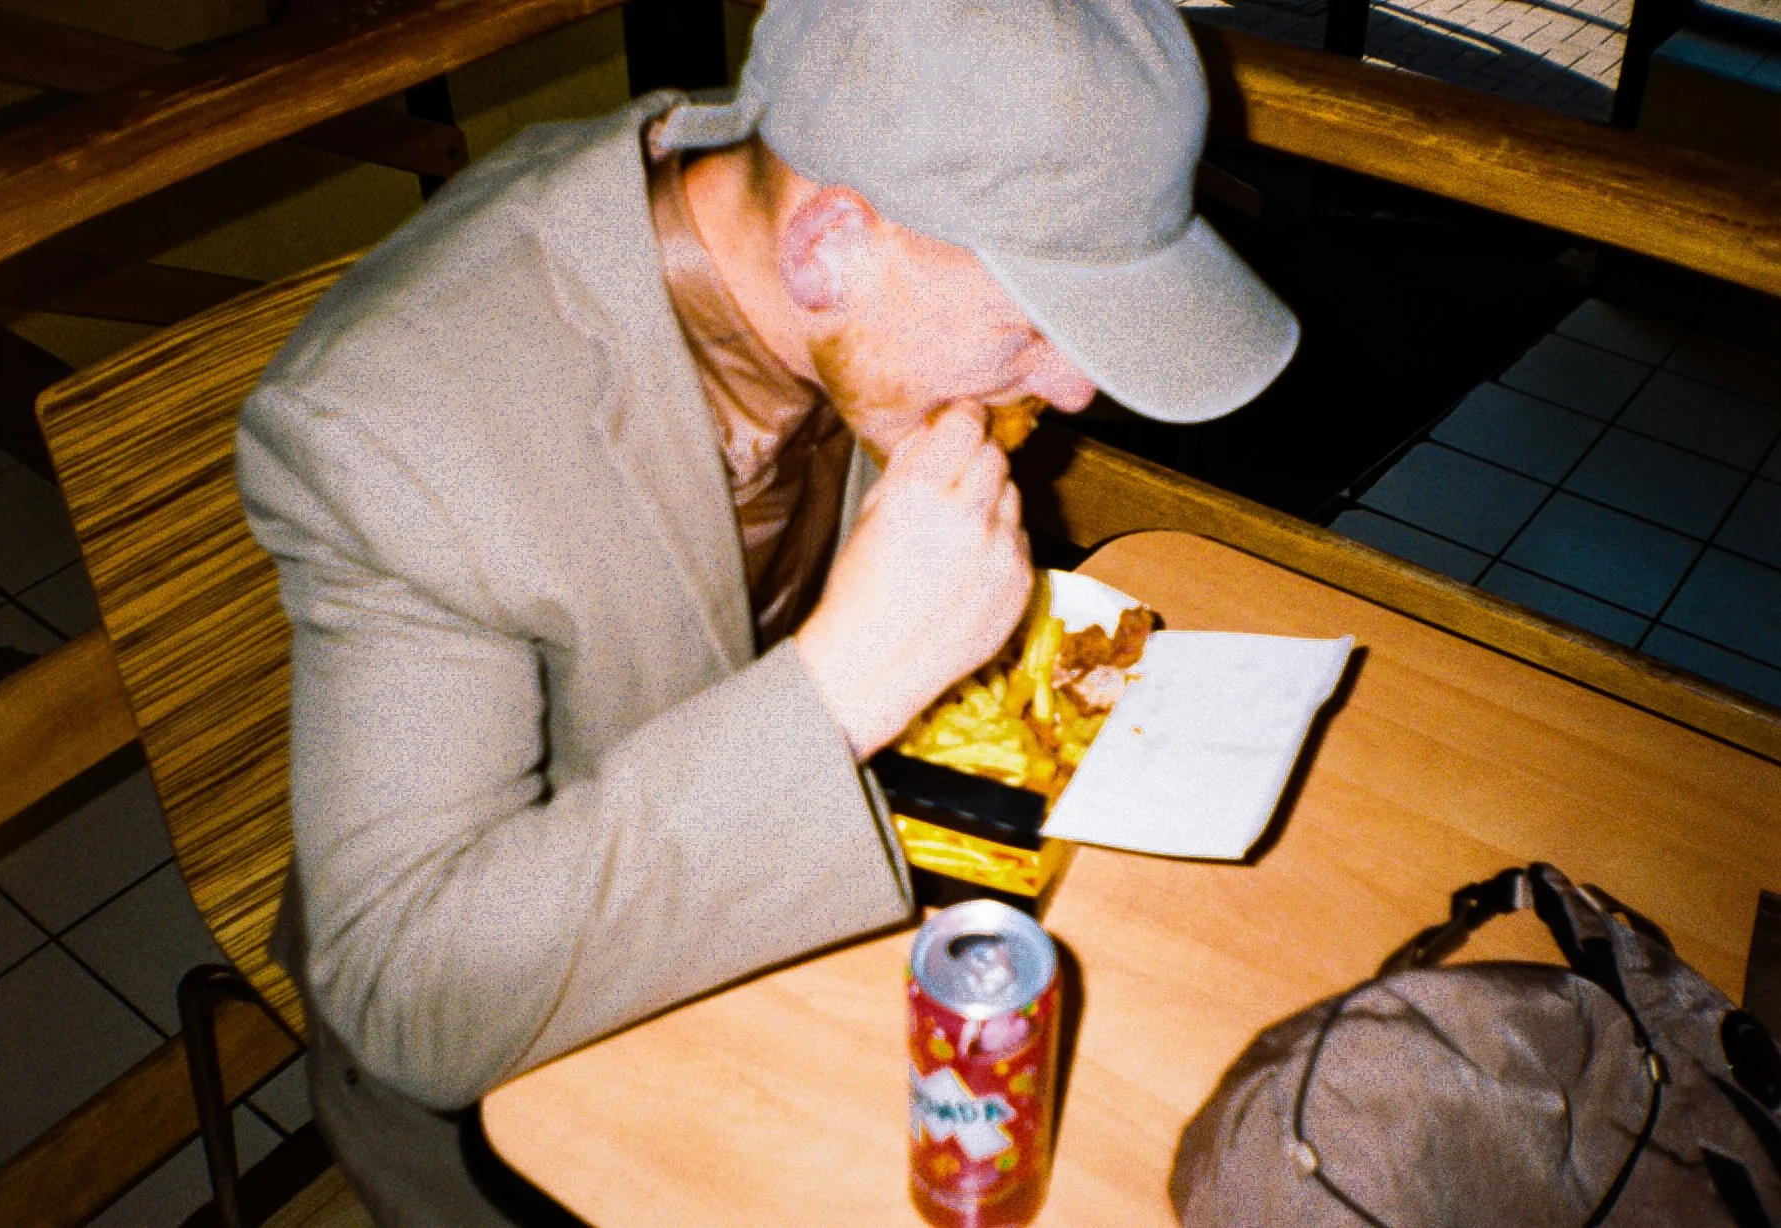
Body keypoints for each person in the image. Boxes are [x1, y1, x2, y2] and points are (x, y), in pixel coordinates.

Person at [235, 0, 1298, 1221]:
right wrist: (844, 685)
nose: (1073, 389)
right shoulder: (391, 438)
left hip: (799, 919)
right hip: (525, 1084)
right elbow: (410, 993)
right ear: (828, 247)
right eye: (1035, 326)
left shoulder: (795, 199)